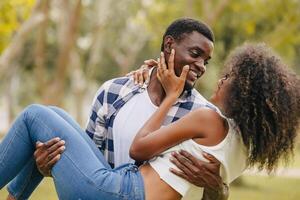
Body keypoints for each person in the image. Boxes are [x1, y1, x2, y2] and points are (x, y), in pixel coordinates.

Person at [1, 43, 300, 200]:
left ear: (247, 93)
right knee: (55, 116)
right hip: (117, 186)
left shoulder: (208, 118)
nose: (220, 78)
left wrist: (171, 95)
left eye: (231, 77)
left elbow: (139, 149)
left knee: (33, 115)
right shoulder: (242, 147)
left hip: (114, 192)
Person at [6, 18, 229, 200]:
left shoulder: (203, 115)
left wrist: (218, 190)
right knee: (52, 117)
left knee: (35, 116)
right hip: (104, 190)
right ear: (169, 45)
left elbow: (215, 186)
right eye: (195, 54)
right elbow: (86, 165)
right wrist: (45, 165)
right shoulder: (114, 92)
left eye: (206, 61)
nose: (201, 66)